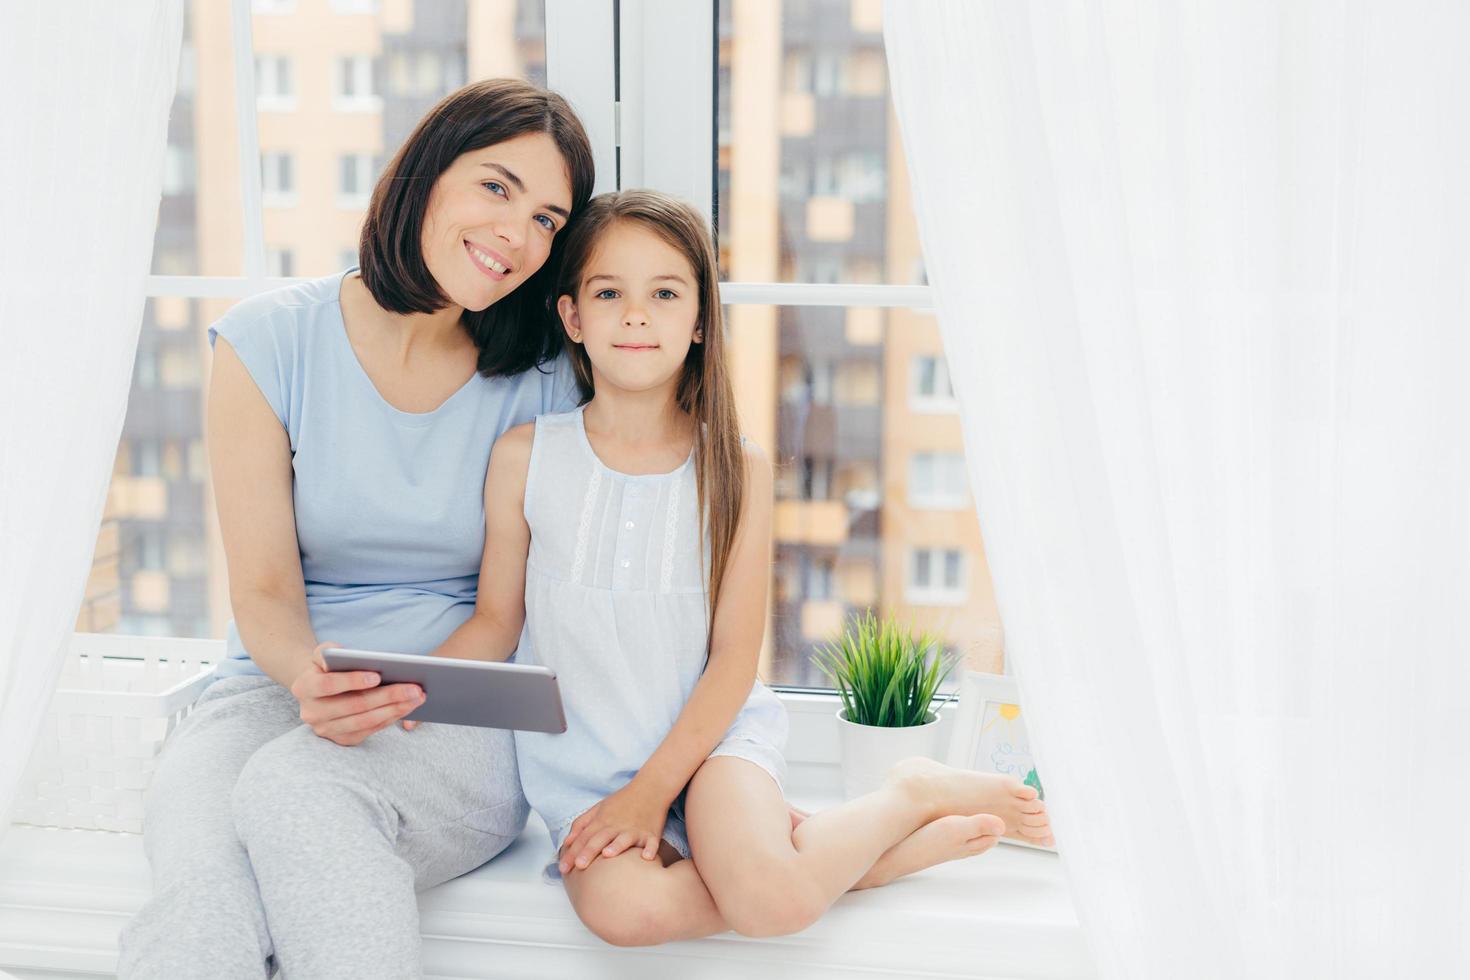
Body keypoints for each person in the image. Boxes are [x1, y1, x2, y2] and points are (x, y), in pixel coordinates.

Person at [428, 190, 1055, 946]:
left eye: (663, 294)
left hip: (714, 746)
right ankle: (855, 864)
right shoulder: (525, 458)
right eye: (608, 293)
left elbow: (733, 662)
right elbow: (496, 623)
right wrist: (401, 692)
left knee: (772, 907)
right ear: (571, 317)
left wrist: (654, 795)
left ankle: (905, 793)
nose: (635, 315)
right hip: (588, 769)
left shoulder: (735, 468)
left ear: (698, 323)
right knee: (626, 914)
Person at [116, 79, 595, 979]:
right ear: (426, 172)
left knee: (304, 802)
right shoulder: (269, 342)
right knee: (198, 899)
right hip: (268, 689)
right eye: (497, 188)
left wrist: (398, 707)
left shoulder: (545, 382)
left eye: (547, 220)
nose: (516, 234)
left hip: (456, 718)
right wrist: (312, 683)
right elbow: (261, 586)